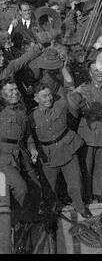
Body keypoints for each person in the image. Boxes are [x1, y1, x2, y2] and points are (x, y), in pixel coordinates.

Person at [31, 82, 91, 218]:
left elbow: (73, 97)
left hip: (67, 148)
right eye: (44, 96)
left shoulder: (61, 104)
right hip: (48, 154)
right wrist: (33, 150)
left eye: (50, 95)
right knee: (49, 187)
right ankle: (50, 215)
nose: (48, 99)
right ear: (36, 99)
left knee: (75, 180)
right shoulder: (32, 117)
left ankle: (80, 207)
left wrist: (77, 91)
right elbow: (29, 138)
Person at [67, 61, 102, 204]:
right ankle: (86, 194)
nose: (100, 73)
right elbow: (73, 107)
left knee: (101, 166)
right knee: (86, 166)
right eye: (96, 70)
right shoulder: (84, 89)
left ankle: (97, 193)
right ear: (90, 73)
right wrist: (74, 92)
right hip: (88, 133)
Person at [0, 78, 38, 213]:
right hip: (4, 158)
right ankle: (16, 220)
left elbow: (27, 135)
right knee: (20, 188)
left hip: (22, 154)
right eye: (11, 90)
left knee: (36, 187)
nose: (15, 92)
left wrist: (32, 148)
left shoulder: (22, 109)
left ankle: (30, 218)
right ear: (1, 94)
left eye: (16, 89)